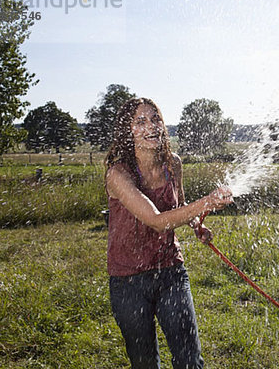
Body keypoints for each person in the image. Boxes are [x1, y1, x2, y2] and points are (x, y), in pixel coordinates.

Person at [104, 97, 233, 369]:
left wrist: (197, 224)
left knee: (189, 360)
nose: (151, 126)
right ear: (128, 131)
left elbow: (180, 205)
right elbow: (156, 220)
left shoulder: (172, 164)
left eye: (155, 119)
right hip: (128, 280)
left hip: (170, 270)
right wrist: (208, 201)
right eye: (140, 121)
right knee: (145, 363)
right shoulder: (118, 174)